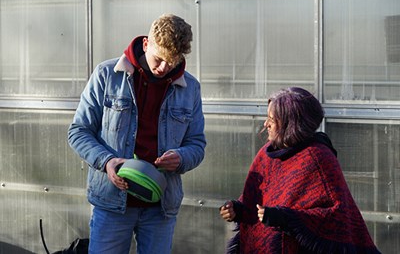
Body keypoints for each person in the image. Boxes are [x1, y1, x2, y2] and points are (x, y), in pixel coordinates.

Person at [68, 14, 206, 254]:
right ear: (146, 44)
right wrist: (107, 161)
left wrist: (181, 157)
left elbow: (197, 143)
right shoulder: (106, 75)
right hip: (112, 202)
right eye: (159, 59)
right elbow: (78, 131)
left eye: (172, 62)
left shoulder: (190, 88)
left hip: (160, 206)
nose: (164, 68)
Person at [219, 87, 381, 254]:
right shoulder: (266, 155)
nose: (265, 124)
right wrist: (236, 210)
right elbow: (254, 201)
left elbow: (336, 216)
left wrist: (286, 218)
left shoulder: (317, 157)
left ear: (291, 124)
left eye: (272, 120)